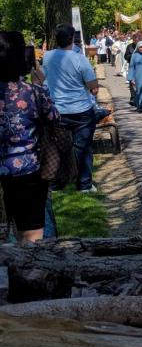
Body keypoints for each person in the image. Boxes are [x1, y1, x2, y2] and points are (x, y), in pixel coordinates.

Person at [1, 32, 60, 243]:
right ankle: (28, 271)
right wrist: (41, 85)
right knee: (31, 234)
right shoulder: (33, 92)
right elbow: (54, 118)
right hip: (28, 169)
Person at [42, 24, 100, 193]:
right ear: (71, 40)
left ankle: (55, 183)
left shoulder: (48, 57)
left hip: (57, 109)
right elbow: (93, 86)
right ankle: (84, 184)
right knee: (83, 147)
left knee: (57, 148)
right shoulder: (79, 58)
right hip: (80, 109)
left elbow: (42, 77)